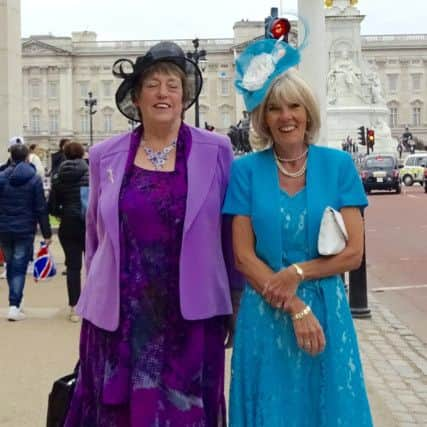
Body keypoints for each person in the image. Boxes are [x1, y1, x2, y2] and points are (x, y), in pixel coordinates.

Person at [65, 41, 241, 426]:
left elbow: (229, 234)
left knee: (186, 413)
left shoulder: (218, 151)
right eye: (153, 84)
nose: (163, 93)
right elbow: (96, 235)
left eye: (173, 85)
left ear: (184, 97)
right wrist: (97, 295)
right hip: (120, 318)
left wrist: (235, 301)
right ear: (137, 97)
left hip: (191, 317)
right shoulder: (104, 156)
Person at [224, 37, 373, 426]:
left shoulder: (338, 165)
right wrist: (293, 303)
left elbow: (352, 253)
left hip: (326, 307)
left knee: (325, 407)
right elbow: (243, 256)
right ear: (263, 118)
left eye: (294, 106)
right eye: (274, 108)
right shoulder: (245, 171)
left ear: (308, 113)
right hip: (267, 308)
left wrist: (298, 274)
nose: (285, 116)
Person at [0, 143, 52, 321]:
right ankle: (15, 304)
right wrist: (46, 233)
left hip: (4, 227)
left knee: (10, 265)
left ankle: (15, 301)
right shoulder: (34, 179)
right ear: (27, 157)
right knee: (19, 267)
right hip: (25, 227)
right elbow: (40, 208)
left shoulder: (1, 177)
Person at [48, 142, 88, 322]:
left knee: (73, 267)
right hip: (89, 223)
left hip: (68, 224)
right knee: (94, 265)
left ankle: (74, 307)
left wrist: (62, 212)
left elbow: (52, 207)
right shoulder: (91, 174)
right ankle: (95, 304)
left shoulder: (58, 177)